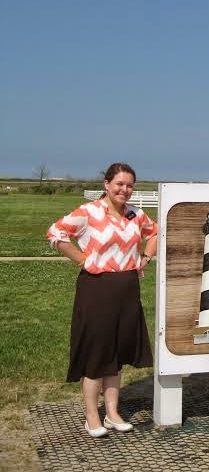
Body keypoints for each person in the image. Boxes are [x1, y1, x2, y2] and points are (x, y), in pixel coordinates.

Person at [46, 162, 157, 438]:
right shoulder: (89, 212)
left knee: (117, 353)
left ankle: (112, 412)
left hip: (127, 290)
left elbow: (154, 233)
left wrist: (145, 257)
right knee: (97, 353)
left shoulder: (136, 214)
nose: (125, 190)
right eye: (119, 184)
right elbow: (55, 232)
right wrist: (82, 259)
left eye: (130, 185)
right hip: (96, 289)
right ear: (107, 184)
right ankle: (91, 415)